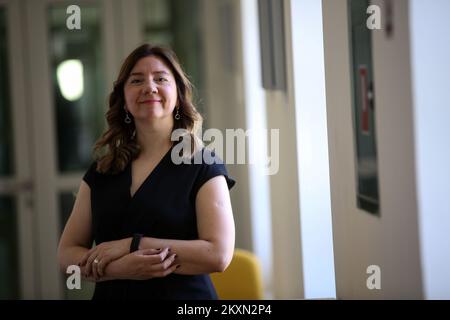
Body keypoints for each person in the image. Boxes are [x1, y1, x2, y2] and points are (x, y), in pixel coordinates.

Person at [58, 44, 236, 299]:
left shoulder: (203, 165)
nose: (149, 87)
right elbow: (66, 254)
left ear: (177, 94)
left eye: (161, 79)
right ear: (124, 100)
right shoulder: (102, 171)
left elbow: (218, 255)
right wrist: (120, 268)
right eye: (137, 80)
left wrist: (133, 244)